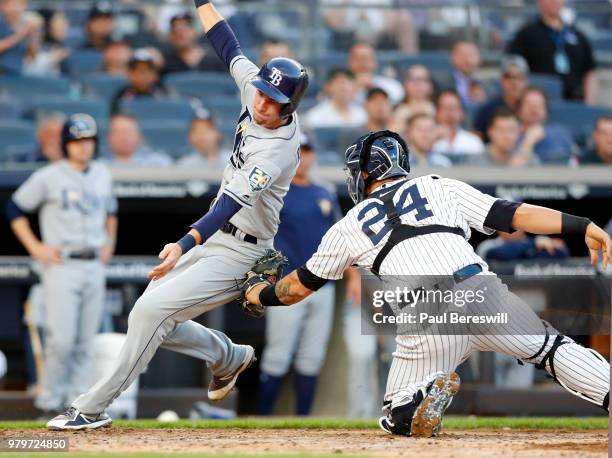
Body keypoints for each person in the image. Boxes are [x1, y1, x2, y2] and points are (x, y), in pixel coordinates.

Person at [243, 129, 611, 437]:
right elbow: (516, 214)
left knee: (396, 418)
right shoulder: (438, 185)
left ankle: (415, 398)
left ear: (367, 173)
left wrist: (259, 293)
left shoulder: (350, 223)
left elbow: (299, 287)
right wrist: (583, 225)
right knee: (550, 349)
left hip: (421, 312)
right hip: (480, 290)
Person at [46, 0, 308, 430]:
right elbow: (227, 45)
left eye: (274, 98)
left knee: (152, 314)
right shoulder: (255, 89)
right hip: (220, 235)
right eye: (262, 91)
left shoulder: (278, 150)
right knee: (148, 313)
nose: (262, 101)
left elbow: (230, 205)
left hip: (241, 251)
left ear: (289, 106)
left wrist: (182, 243)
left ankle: (91, 408)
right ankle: (228, 355)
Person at [6, 114, 118, 418]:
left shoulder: (102, 174)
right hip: (62, 265)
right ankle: (49, 403)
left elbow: (111, 209)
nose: (84, 147)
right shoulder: (50, 176)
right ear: (67, 144)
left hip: (94, 264)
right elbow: (14, 207)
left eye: (88, 141)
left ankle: (76, 405)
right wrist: (35, 247)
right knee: (62, 340)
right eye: (78, 141)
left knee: (85, 342)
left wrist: (110, 243)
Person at [258, 134, 338, 416]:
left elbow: (340, 238)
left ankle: (304, 419)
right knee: (278, 355)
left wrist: (352, 278)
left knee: (311, 357)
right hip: (287, 283)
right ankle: (263, 418)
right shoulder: (276, 192)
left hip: (322, 285)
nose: (303, 158)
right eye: (298, 152)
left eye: (307, 151)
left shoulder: (324, 192)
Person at [507, 0, 597, 103]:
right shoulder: (526, 35)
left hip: (574, 102)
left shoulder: (578, 37)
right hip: (538, 103)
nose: (553, 1)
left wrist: (588, 103)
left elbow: (589, 72)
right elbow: (514, 68)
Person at [473, 55, 530, 141]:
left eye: (519, 77)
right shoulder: (487, 109)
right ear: (501, 80)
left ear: (526, 81)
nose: (514, 82)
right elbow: (476, 141)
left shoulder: (532, 107)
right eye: (508, 77)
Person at [516, 87, 576, 164]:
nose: (534, 108)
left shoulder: (560, 133)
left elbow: (576, 161)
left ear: (546, 111)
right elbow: (511, 170)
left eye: (539, 104)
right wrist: (529, 142)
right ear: (519, 110)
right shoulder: (510, 134)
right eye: (529, 104)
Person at [110, 49, 169, 114]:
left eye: (147, 70)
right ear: (129, 74)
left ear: (155, 74)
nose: (143, 76)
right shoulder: (121, 96)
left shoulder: (164, 94)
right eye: (138, 70)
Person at [432, 89, 485, 157]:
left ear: (462, 113)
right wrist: (432, 139)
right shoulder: (426, 140)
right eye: (445, 108)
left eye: (453, 108)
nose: (450, 113)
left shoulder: (474, 141)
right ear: (437, 113)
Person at [105, 113, 173, 167]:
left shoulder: (159, 163)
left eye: (128, 131)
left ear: (140, 136)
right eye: (118, 132)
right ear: (109, 137)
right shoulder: (100, 166)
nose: (123, 136)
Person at [23, 8, 69, 76]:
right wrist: (49, 61)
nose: (35, 35)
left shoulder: (59, 50)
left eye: (39, 30)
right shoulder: (18, 53)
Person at [391, 65, 436, 133]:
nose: (417, 83)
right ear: (405, 84)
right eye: (413, 79)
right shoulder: (395, 110)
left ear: (430, 85)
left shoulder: (439, 109)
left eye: (422, 79)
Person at [441, 41, 485, 106]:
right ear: (452, 57)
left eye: (471, 55)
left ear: (479, 58)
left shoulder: (491, 87)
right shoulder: (442, 84)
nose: (467, 60)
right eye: (463, 55)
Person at [0, 0, 37, 75]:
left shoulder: (24, 25)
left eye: (21, 4)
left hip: (16, 75)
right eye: (13, 4)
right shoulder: (2, 23)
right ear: (3, 6)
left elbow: (32, 56)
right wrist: (19, 35)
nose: (17, 8)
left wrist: (32, 37)